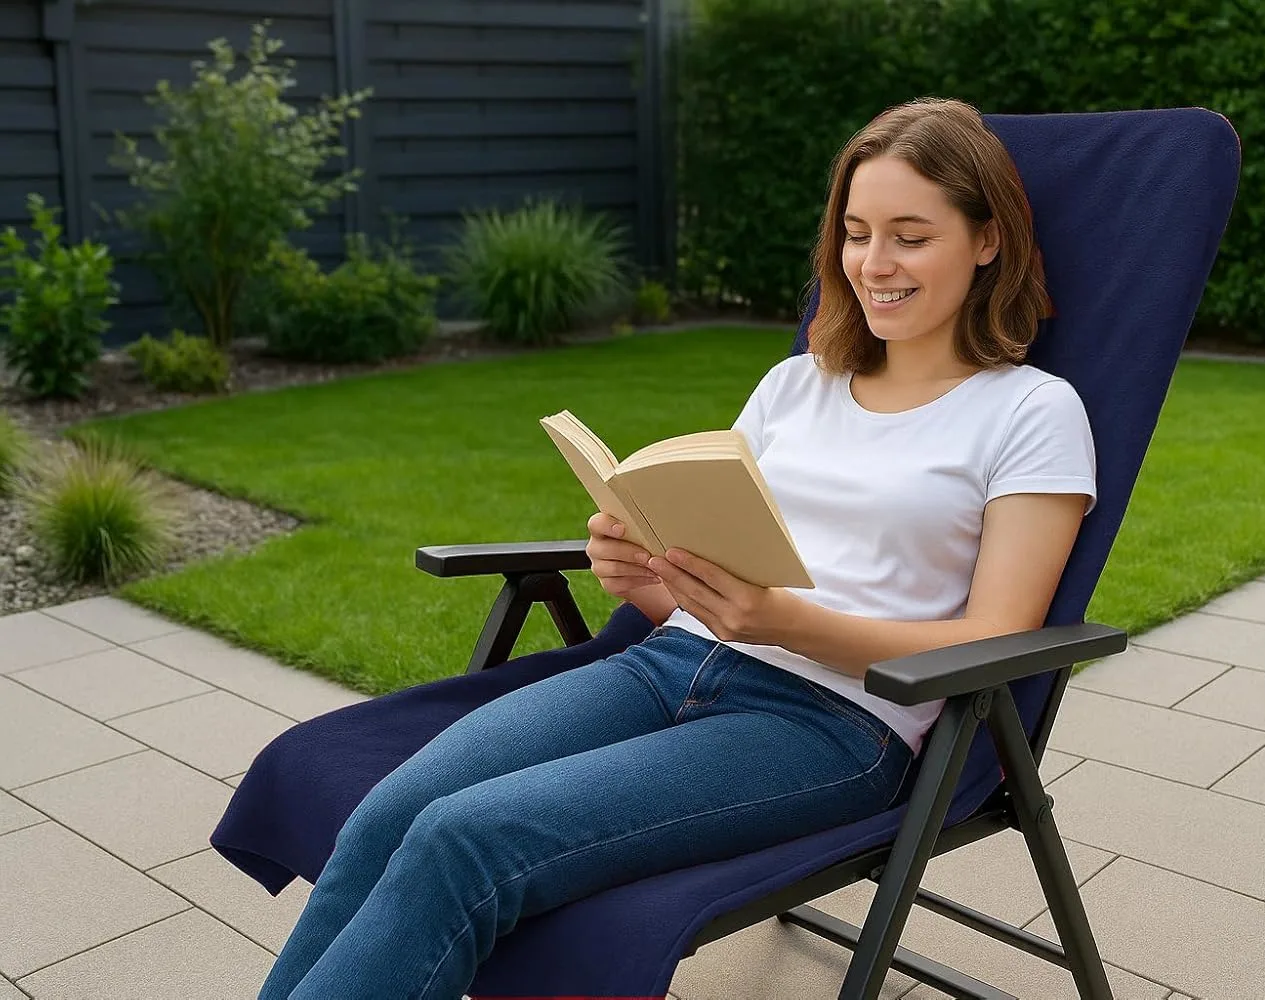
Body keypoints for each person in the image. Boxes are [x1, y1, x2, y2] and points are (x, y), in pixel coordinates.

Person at [257, 96, 1096, 1000]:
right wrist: (647, 577)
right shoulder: (797, 385)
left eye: (910, 237)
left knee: (464, 840)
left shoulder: (1029, 412)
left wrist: (784, 624)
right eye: (856, 234)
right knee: (394, 809)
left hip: (831, 725)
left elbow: (995, 641)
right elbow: (722, 593)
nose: (873, 264)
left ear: (986, 240)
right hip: (668, 664)